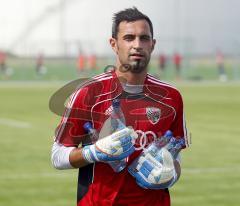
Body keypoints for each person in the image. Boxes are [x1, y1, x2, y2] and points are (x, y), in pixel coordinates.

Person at [51, 7, 188, 206]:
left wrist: (170, 175)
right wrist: (93, 152)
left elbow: (175, 158)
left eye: (144, 38)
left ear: (153, 44)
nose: (137, 45)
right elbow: (57, 156)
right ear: (114, 44)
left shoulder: (172, 97)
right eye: (129, 38)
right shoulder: (89, 93)